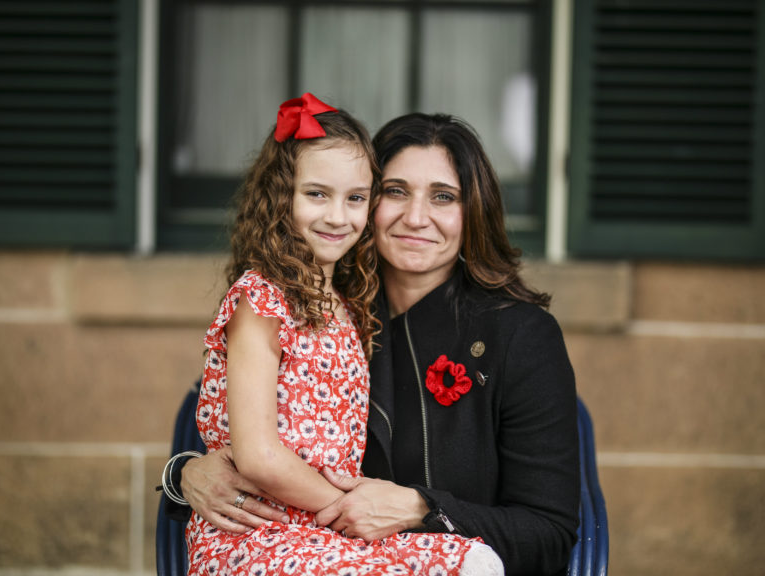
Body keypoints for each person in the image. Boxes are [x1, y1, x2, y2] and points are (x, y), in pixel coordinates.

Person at [164, 111, 579, 575]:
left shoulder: (520, 336)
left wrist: (423, 509)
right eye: (395, 191)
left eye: (444, 197)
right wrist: (183, 474)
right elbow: (246, 426)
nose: (415, 217)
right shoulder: (319, 311)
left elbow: (550, 534)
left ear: (474, 213)